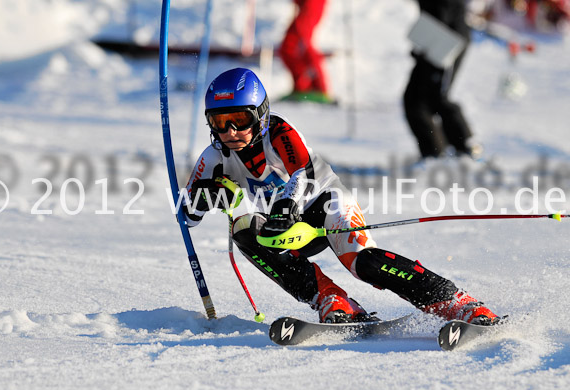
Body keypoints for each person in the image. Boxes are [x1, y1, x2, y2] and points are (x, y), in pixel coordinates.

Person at [182, 67, 501, 325]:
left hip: (326, 205)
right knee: (245, 232)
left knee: (363, 261)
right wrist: (200, 200)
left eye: (239, 119)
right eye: (219, 122)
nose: (229, 132)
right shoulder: (215, 157)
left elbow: (302, 174)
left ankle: (456, 302)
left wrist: (285, 208)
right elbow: (186, 217)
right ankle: (332, 299)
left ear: (261, 114)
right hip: (289, 229)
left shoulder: (280, 132)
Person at [404, 0, 481, 160]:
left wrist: (428, 46)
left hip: (448, 41)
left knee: (438, 97)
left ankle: (466, 146)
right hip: (434, 41)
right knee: (414, 99)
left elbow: (446, 10)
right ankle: (434, 152)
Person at [278, 0, 334, 104]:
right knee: (289, 47)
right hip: (308, 4)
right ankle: (302, 86)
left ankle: (320, 88)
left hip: (312, 4)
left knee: (300, 43)